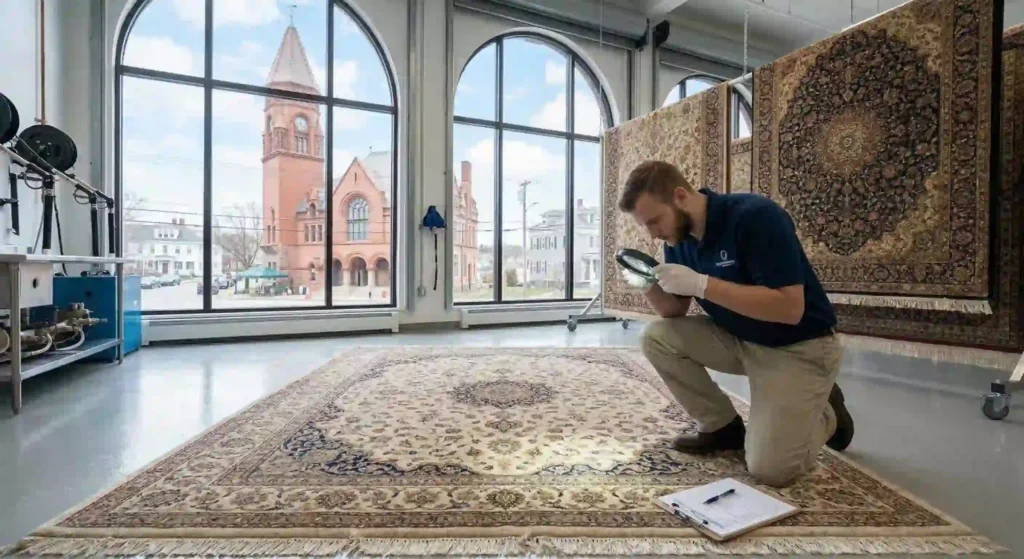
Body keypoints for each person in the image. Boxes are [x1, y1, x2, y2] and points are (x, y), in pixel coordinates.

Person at [618, 160, 854, 488]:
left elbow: (790, 308)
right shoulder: (679, 240)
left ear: (680, 197)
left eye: (654, 221)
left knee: (771, 470)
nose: (653, 233)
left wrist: (702, 284)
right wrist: (646, 285)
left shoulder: (756, 217)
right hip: (739, 338)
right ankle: (721, 427)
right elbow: (673, 310)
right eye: (646, 226)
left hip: (798, 348)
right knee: (656, 337)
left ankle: (828, 411)